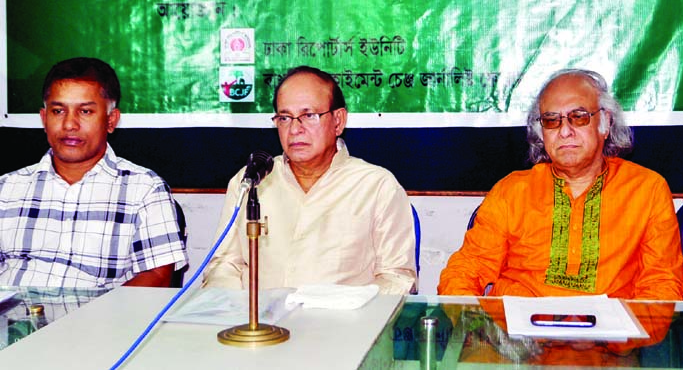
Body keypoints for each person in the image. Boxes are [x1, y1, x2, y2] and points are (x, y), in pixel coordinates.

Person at [438, 69, 683, 298]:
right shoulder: (511, 191)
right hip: (517, 339)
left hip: (612, 340)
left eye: (578, 117)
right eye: (552, 120)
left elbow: (662, 285)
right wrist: (477, 327)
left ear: (605, 123)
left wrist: (632, 338)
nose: (565, 131)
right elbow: (465, 271)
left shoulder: (647, 190)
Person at [202, 65, 416, 294]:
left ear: (338, 121)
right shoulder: (250, 181)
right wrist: (235, 312)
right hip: (262, 324)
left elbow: (397, 279)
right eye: (284, 118)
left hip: (345, 326)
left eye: (308, 116)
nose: (294, 129)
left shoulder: (376, 186)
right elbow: (223, 266)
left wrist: (349, 312)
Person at [0, 57, 188, 288]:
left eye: (85, 111)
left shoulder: (144, 190)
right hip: (12, 320)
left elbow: (156, 278)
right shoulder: (6, 188)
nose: (69, 124)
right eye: (58, 111)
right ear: (43, 118)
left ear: (110, 120)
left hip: (99, 320)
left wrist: (88, 322)